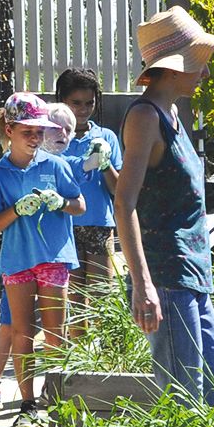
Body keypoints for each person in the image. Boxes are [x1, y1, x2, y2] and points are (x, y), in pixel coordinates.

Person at [115, 6, 214, 404]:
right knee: (186, 401)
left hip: (192, 275)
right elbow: (125, 203)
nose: (204, 72)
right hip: (165, 277)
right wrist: (143, 284)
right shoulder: (145, 117)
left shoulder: (172, 113)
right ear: (171, 67)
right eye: (198, 62)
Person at [0, 91, 85, 415]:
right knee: (22, 332)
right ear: (9, 130)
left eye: (40, 131)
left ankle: (55, 397)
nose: (35, 138)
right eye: (28, 132)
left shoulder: (56, 165)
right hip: (17, 260)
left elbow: (79, 205)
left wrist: (61, 202)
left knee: (56, 331)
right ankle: (27, 403)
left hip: (53, 256)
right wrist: (16, 210)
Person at [56, 67, 123, 291]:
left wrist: (105, 164)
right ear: (62, 101)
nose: (83, 109)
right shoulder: (52, 139)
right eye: (76, 103)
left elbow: (117, 189)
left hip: (100, 224)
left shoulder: (106, 137)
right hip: (64, 224)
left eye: (89, 103)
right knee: (73, 302)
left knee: (101, 297)